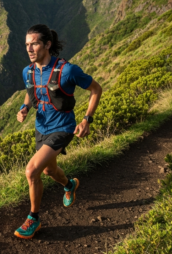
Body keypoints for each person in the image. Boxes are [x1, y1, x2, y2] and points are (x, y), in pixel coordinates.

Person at [14, 24, 102, 239]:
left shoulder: (68, 71)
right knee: (48, 171)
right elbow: (31, 92)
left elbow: (96, 89)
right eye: (27, 44)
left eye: (34, 43)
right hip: (41, 128)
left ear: (47, 44)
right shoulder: (28, 71)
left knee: (32, 171)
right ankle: (70, 184)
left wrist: (86, 119)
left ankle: (33, 219)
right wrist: (24, 107)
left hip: (63, 127)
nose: (30, 49)